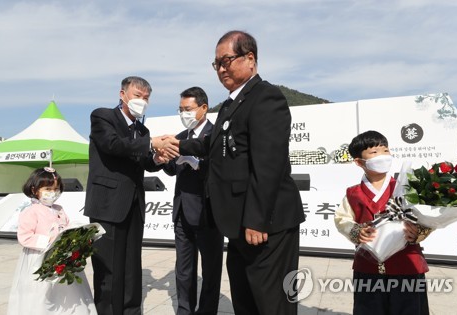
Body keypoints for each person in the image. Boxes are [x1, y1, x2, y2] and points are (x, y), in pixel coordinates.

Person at [169, 30, 305, 314]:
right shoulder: (232, 104)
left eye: (226, 61)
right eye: (216, 64)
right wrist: (178, 145)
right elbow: (211, 143)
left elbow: (269, 165)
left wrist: (257, 220)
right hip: (238, 226)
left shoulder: (266, 97)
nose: (220, 69)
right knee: (245, 300)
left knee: (271, 303)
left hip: (266, 226)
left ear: (250, 58)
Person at [84, 76, 177, 314]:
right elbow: (113, 145)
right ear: (122, 94)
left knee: (131, 265)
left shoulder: (141, 130)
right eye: (137, 96)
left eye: (146, 98)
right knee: (108, 269)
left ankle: (131, 310)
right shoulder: (103, 116)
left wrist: (157, 157)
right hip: (107, 204)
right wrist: (152, 143)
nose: (142, 101)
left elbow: (145, 161)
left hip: (133, 205)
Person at [334, 130, 432, 315]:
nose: (382, 156)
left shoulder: (406, 187)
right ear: (358, 162)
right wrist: (356, 231)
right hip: (368, 267)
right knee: (369, 309)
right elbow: (342, 219)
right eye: (374, 152)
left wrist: (419, 232)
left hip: (407, 264)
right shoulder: (353, 193)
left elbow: (427, 218)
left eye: (385, 150)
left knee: (409, 309)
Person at [158, 86, 224, 315]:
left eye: (188, 109)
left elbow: (222, 169)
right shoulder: (180, 137)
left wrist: (198, 163)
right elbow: (169, 168)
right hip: (182, 213)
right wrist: (163, 158)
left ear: (203, 108)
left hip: (209, 213)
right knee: (183, 270)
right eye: (180, 109)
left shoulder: (217, 135)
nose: (183, 113)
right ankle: (184, 310)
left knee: (211, 270)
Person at [7, 167, 97, 315]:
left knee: (68, 290)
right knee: (42, 292)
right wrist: (48, 240)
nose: (53, 193)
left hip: (62, 256)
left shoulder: (59, 209)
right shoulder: (30, 211)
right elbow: (24, 236)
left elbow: (66, 226)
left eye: (56, 189)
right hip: (40, 257)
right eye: (48, 188)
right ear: (35, 189)